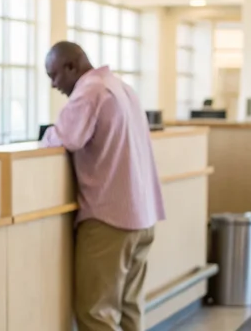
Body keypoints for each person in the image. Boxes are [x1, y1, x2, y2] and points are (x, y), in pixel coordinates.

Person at [41, 41, 165, 331]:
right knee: (130, 309)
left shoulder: (89, 91)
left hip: (110, 220)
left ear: (72, 66)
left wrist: (45, 137)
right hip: (142, 216)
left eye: (54, 75)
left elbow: (65, 138)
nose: (53, 85)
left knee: (96, 313)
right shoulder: (121, 87)